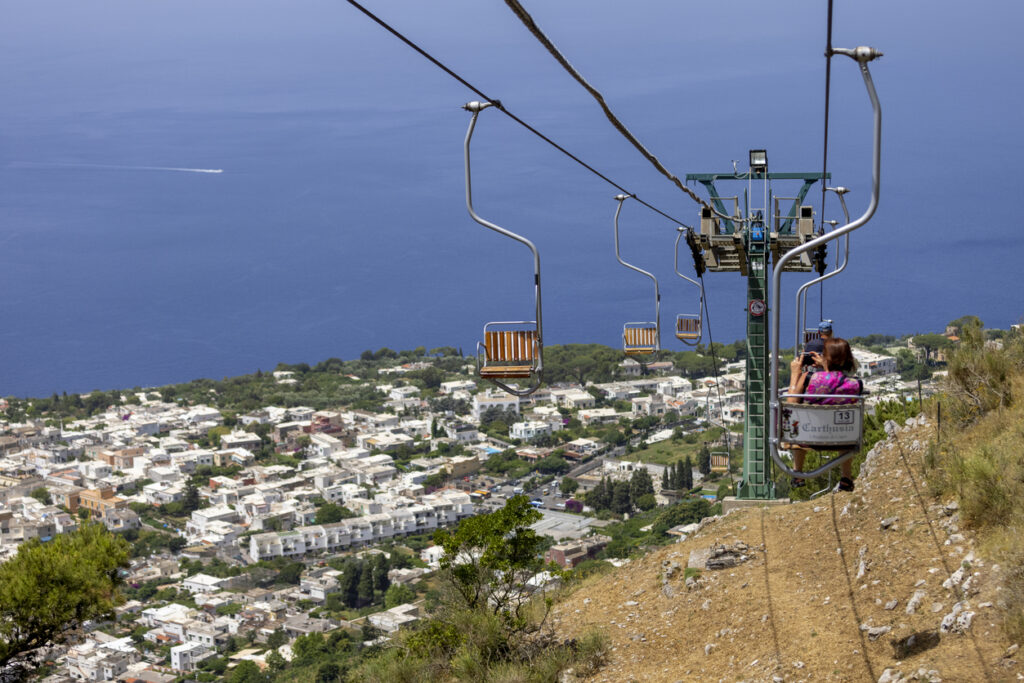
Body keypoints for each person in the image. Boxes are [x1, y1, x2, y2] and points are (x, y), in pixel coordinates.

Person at [786, 336, 862, 492]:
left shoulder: (810, 378)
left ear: (825, 358)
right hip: (843, 439)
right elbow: (837, 378)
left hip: (810, 438)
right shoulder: (856, 384)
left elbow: (792, 402)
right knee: (845, 423)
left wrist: (795, 374)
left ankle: (798, 472)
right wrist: (827, 364)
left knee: (796, 421)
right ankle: (846, 476)